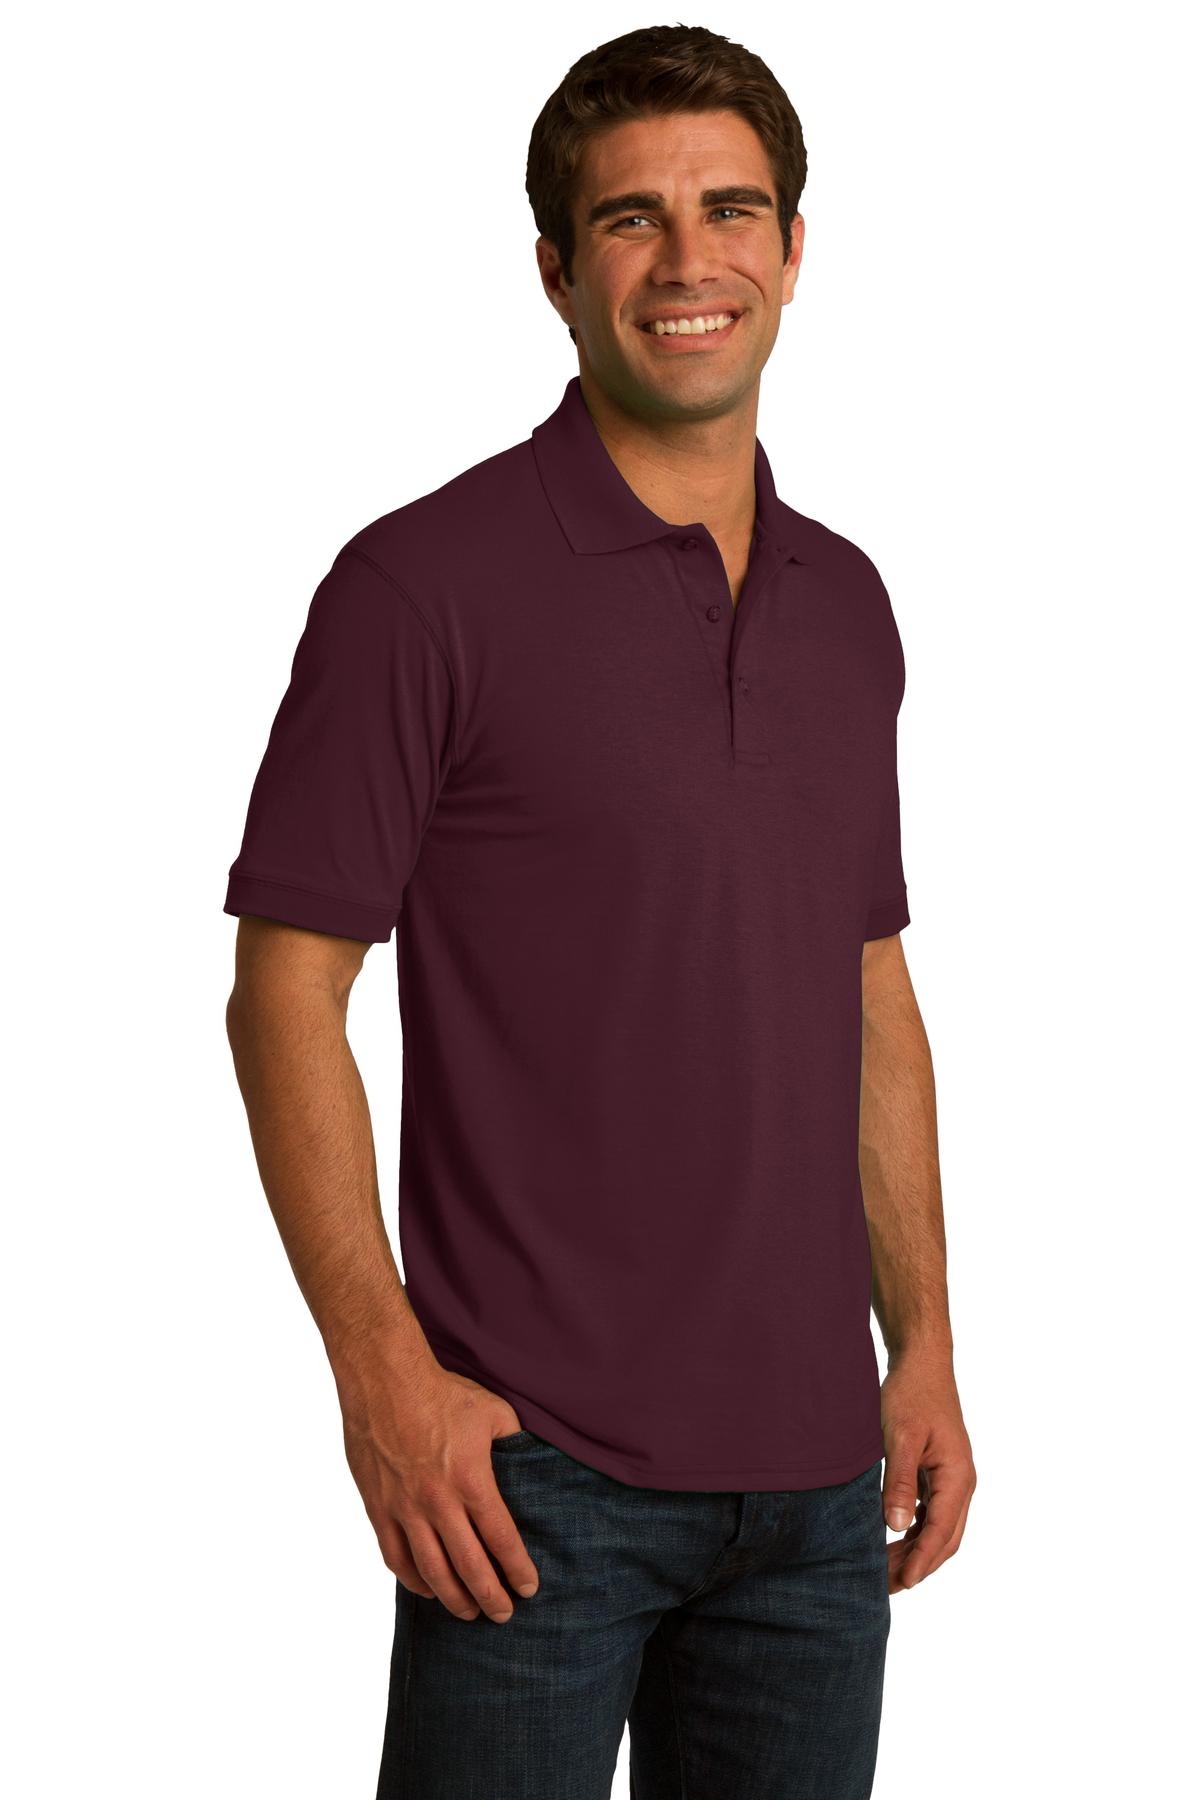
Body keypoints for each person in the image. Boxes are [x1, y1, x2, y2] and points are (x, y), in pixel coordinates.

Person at [223, 22, 975, 1799]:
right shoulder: (419, 587)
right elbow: (283, 996)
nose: (690, 260)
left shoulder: (848, 603)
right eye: (633, 220)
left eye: (733, 210)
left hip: (815, 1497)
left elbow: (866, 986)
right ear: (557, 270)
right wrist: (382, 1377)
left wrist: (927, 1343)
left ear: (795, 249)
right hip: (528, 1479)